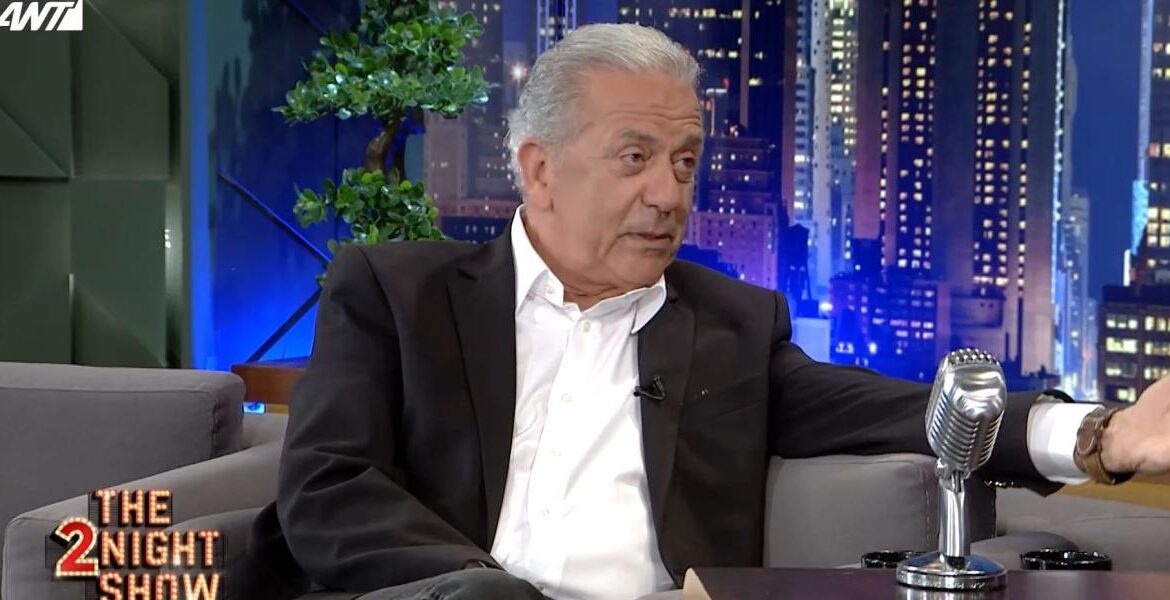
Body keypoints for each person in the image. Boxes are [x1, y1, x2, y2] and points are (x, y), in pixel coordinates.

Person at [237, 23, 1170, 600]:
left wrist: (1102, 436)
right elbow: (329, 487)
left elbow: (893, 408)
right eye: (634, 158)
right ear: (539, 169)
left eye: (684, 162)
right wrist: (490, 592)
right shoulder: (396, 292)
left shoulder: (730, 326)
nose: (668, 193)